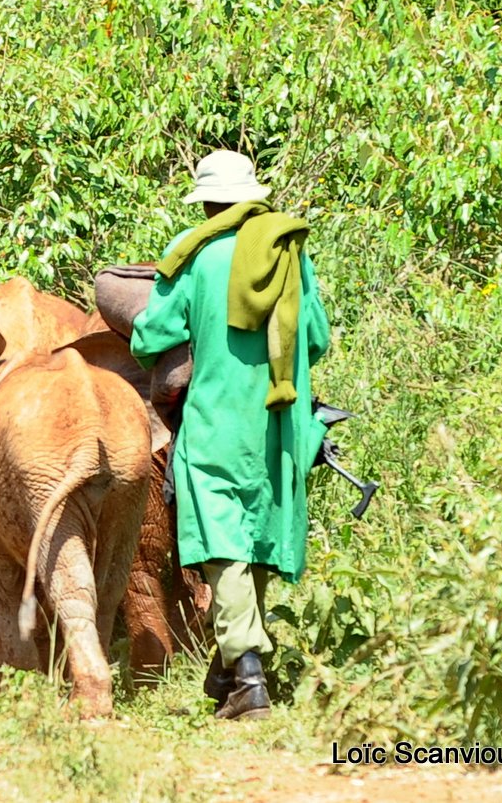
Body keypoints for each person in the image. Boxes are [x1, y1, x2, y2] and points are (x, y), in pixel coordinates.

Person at [129, 149, 331, 720]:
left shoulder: (194, 256)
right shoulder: (292, 254)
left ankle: (248, 678)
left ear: (211, 202)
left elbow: (151, 336)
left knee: (222, 544)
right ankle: (230, 664)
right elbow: (315, 338)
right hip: (279, 421)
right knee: (257, 538)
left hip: (217, 421)